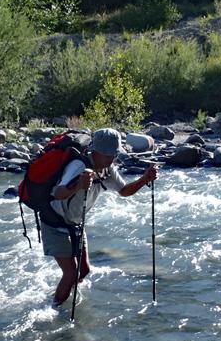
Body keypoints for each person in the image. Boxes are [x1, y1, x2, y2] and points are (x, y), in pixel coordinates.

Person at [41, 128, 158, 307]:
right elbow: (58, 193)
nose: (112, 159)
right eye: (108, 155)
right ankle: (53, 310)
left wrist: (144, 179)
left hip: (76, 222)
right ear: (96, 151)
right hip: (55, 222)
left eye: (114, 154)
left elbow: (124, 191)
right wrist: (78, 185)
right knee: (71, 274)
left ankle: (63, 294)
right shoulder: (78, 166)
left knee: (84, 270)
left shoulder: (107, 169)